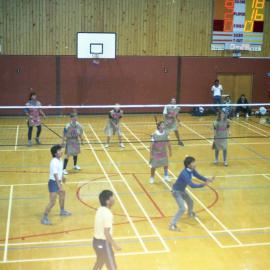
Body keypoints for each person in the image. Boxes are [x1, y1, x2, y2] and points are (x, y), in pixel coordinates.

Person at [169, 156, 214, 231]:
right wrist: (203, 184)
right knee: (182, 208)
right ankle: (172, 224)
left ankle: (190, 213)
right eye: (193, 162)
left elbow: (198, 176)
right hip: (176, 192)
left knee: (190, 202)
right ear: (188, 165)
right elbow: (192, 185)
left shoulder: (192, 170)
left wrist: (207, 179)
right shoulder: (184, 174)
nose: (195, 164)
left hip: (182, 190)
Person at [41, 144, 71, 225]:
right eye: (59, 150)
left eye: (61, 150)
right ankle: (44, 217)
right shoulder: (54, 162)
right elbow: (55, 175)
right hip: (53, 183)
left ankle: (62, 211)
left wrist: (63, 177)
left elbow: (59, 172)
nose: (61, 151)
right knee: (52, 202)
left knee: (62, 194)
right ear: (55, 153)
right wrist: (59, 186)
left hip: (58, 181)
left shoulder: (60, 160)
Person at [93, 190, 121, 270]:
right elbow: (106, 232)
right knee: (112, 267)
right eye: (112, 197)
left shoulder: (100, 209)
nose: (114, 199)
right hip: (104, 244)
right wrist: (115, 245)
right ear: (107, 201)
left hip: (96, 242)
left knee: (100, 262)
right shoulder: (108, 214)